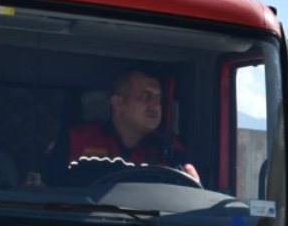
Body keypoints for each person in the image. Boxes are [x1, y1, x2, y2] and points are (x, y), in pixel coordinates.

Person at [64, 66, 198, 180]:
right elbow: (48, 190)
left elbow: (191, 195)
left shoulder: (172, 149)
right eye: (145, 96)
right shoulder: (76, 138)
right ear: (118, 103)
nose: (155, 106)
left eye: (158, 99)